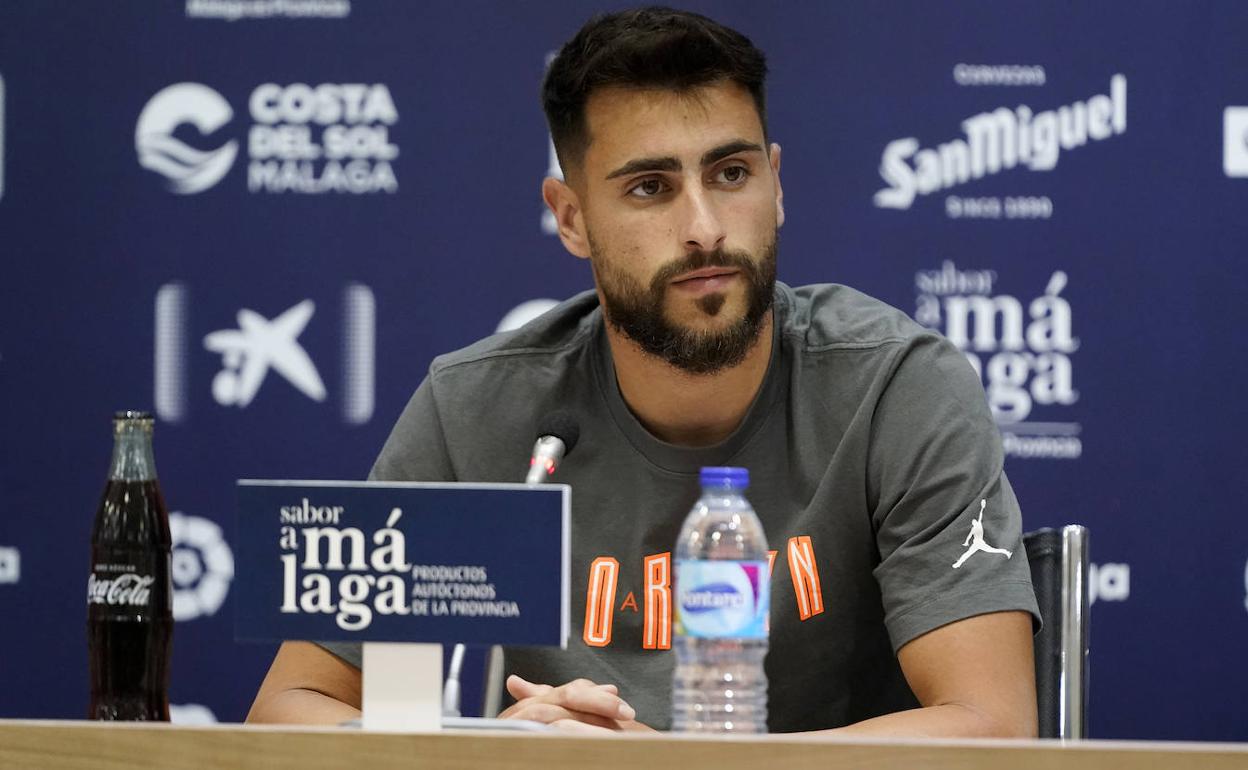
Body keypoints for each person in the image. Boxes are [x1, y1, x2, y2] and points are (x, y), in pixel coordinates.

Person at [248, 6, 1039, 736]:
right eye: (651, 188)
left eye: (731, 174)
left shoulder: (894, 389)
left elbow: (991, 725)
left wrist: (660, 764)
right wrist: (482, 745)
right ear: (570, 218)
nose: (703, 229)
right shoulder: (477, 413)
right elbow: (292, 707)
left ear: (776, 182)